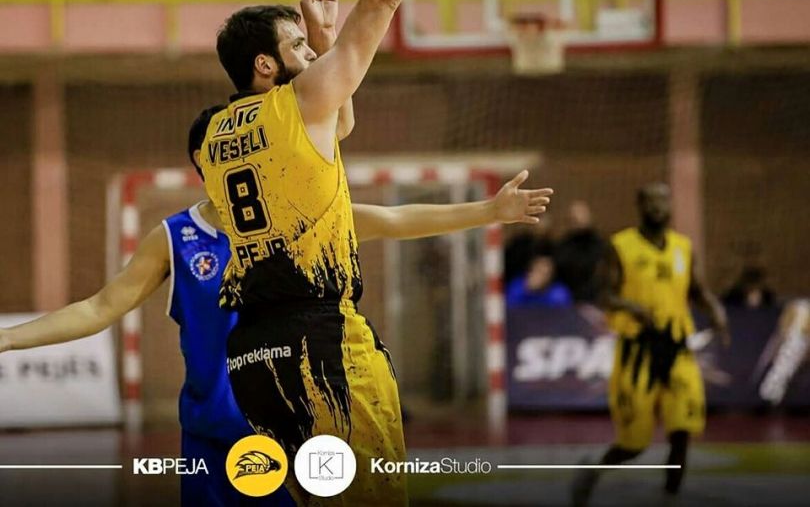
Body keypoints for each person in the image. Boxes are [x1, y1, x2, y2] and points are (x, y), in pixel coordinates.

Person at [0, 107, 550, 506]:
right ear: (206, 160)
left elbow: (393, 219)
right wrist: (7, 337)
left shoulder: (300, 217)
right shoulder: (174, 238)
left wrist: (489, 211)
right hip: (211, 438)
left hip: (289, 428)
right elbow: (99, 307)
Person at [200, 0, 498, 505]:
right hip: (321, 343)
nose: (311, 56)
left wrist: (318, 40)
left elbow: (338, 127)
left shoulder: (213, 134)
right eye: (296, 47)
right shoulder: (297, 103)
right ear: (265, 65)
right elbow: (383, 0)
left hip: (253, 355)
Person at [571, 182, 729, 506]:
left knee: (683, 428)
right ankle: (593, 471)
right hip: (637, 351)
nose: (658, 207)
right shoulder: (621, 246)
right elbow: (604, 295)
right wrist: (632, 307)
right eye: (652, 201)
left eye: (664, 201)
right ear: (640, 206)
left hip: (677, 348)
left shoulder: (683, 246)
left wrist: (716, 311)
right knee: (635, 442)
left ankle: (671, 494)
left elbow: (697, 290)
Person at [553, 200, 607, 303]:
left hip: (594, 298)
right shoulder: (563, 245)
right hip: (567, 298)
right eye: (573, 216)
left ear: (590, 217)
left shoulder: (600, 244)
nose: (577, 218)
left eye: (581, 214)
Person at [505, 253, 572, 307]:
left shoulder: (558, 293)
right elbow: (509, 310)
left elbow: (564, 315)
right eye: (539, 271)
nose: (541, 277)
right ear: (530, 272)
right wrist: (527, 290)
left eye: (546, 274)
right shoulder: (517, 287)